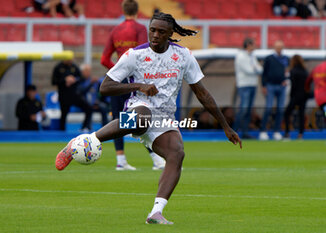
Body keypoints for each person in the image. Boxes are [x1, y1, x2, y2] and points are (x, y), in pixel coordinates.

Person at [55, 12, 242, 224]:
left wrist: (226, 126)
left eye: (161, 32)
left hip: (164, 117)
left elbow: (202, 93)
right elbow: (105, 87)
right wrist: (139, 86)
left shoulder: (184, 56)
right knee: (142, 117)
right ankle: (85, 141)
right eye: (152, 30)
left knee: (177, 154)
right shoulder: (134, 55)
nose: (154, 35)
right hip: (139, 106)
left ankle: (155, 212)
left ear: (170, 34)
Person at [101, 0, 165, 171]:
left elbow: (104, 59)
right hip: (135, 81)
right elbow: (146, 52)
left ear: (123, 10)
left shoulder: (115, 30)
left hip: (117, 81)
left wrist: (117, 72)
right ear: (137, 11)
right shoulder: (139, 29)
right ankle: (156, 158)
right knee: (141, 116)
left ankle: (120, 159)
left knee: (119, 118)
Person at [259, 40, 289, 141]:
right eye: (278, 47)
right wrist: (263, 85)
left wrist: (286, 80)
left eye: (281, 47)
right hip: (270, 86)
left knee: (280, 109)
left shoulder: (285, 59)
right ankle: (263, 131)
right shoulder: (269, 59)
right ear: (274, 47)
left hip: (281, 86)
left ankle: (276, 131)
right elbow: (264, 73)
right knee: (268, 108)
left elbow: (287, 72)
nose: (279, 49)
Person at [52, 60, 93, 131]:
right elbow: (53, 81)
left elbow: (81, 78)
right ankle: (62, 132)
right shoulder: (58, 67)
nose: (70, 60)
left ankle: (84, 127)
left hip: (74, 95)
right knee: (64, 115)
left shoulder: (74, 67)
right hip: (63, 96)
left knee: (88, 108)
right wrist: (65, 80)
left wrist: (74, 80)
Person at [234, 38, 263, 139]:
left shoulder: (252, 56)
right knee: (243, 109)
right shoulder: (240, 56)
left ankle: (245, 132)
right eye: (253, 44)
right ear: (248, 45)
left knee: (248, 110)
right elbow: (249, 70)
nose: (255, 46)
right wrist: (256, 69)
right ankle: (234, 131)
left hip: (252, 84)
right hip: (244, 85)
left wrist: (256, 69)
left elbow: (259, 69)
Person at [283, 55, 309, 139]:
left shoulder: (293, 71)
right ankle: (300, 134)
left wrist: (291, 96)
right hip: (304, 96)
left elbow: (293, 85)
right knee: (301, 114)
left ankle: (287, 133)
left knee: (287, 113)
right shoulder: (305, 71)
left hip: (295, 95)